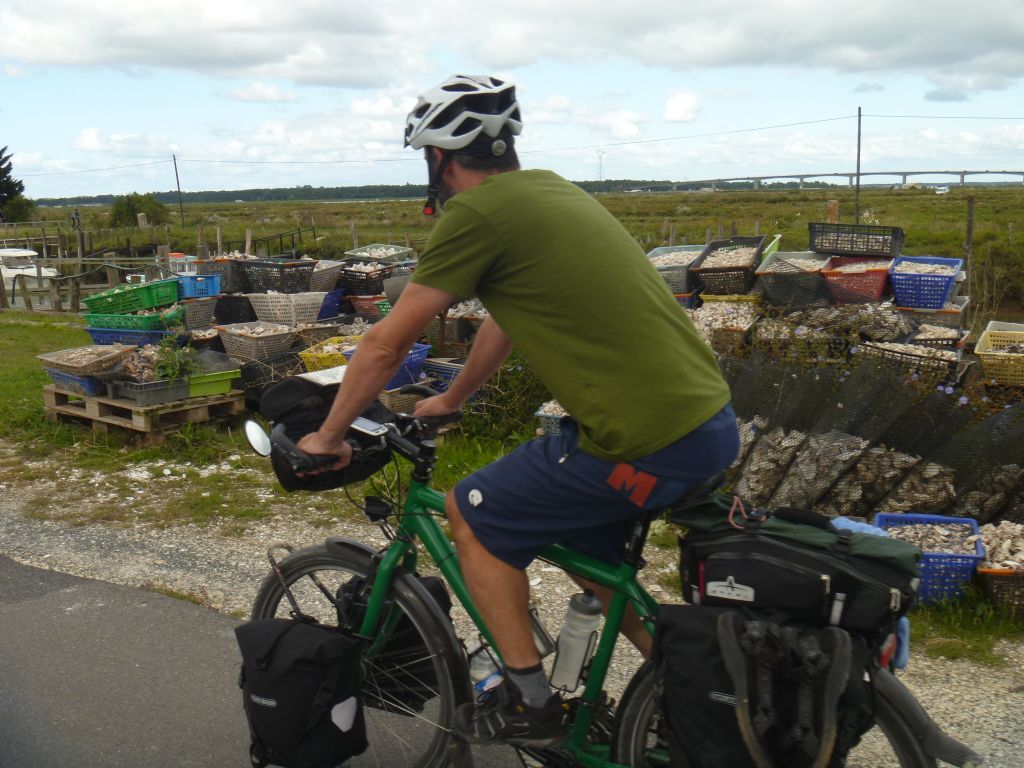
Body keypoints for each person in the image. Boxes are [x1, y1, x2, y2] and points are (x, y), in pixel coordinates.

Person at [298, 74, 740, 747]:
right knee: (583, 546)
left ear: (439, 158)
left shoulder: (476, 214)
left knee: (473, 510)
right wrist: (454, 396)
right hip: (706, 425)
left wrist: (328, 435)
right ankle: (689, 695)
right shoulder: (554, 193)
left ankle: (530, 701)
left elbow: (387, 344)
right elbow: (508, 316)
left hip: (643, 438)